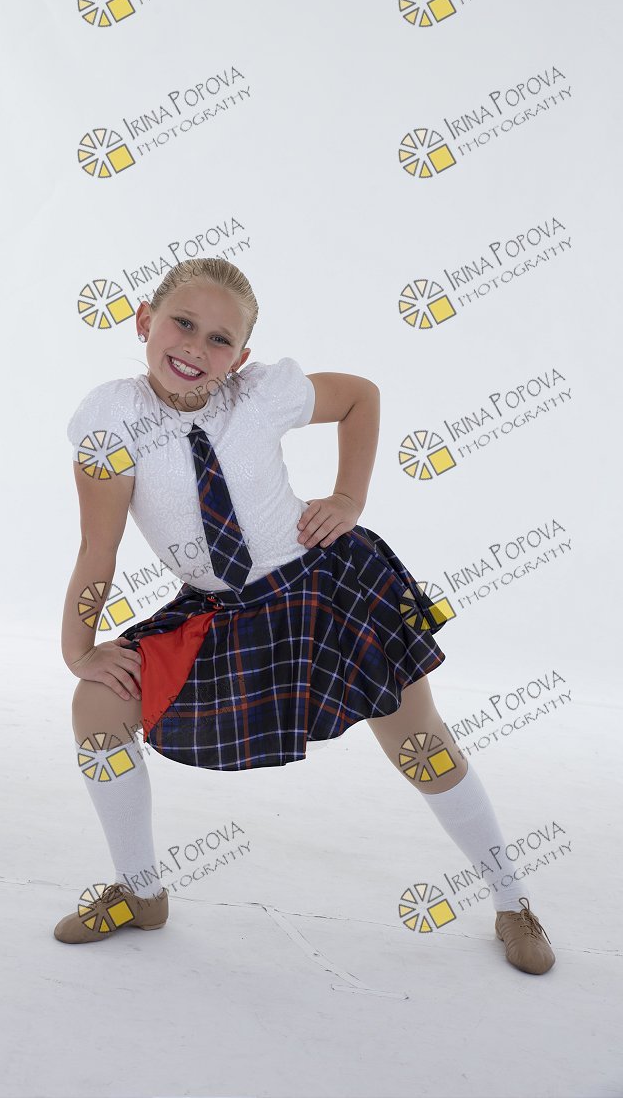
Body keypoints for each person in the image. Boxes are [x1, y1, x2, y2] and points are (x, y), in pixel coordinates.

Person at [54, 258, 555, 975]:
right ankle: (140, 892)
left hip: (327, 586)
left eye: (220, 339)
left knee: (420, 743)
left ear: (241, 358)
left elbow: (360, 397)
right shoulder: (110, 419)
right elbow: (97, 547)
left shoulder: (262, 394)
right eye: (182, 324)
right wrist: (79, 649)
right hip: (224, 612)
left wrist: (348, 498)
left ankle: (511, 900)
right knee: (97, 707)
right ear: (144, 321)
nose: (196, 348)